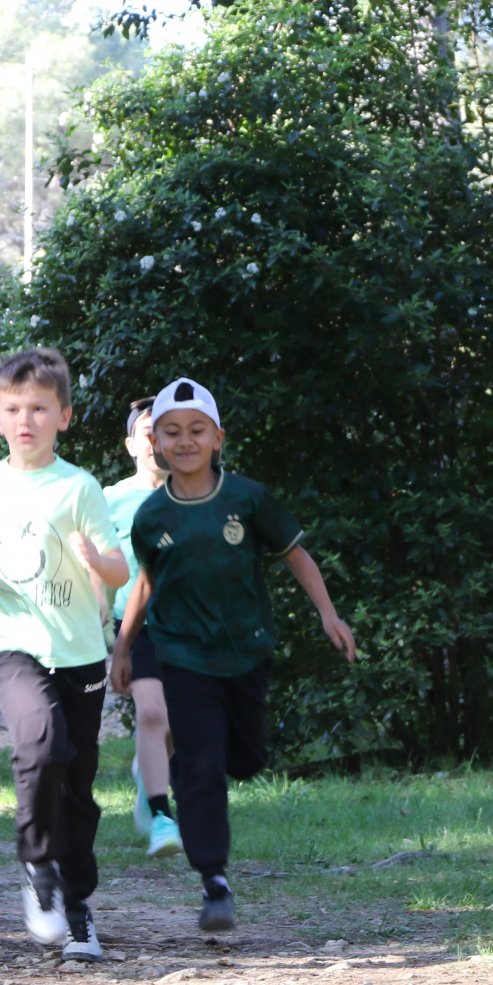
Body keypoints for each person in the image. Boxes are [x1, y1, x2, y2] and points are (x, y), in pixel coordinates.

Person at [112, 378, 356, 934]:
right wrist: (124, 648)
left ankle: (213, 769)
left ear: (217, 437)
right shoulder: (151, 515)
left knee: (243, 758)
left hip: (246, 652)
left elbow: (296, 555)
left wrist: (328, 613)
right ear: (155, 444)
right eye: (171, 432)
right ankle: (213, 881)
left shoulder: (247, 498)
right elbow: (146, 584)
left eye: (197, 430)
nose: (185, 440)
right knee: (199, 765)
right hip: (180, 654)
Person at [0, 349, 129, 962]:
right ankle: (36, 865)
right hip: (10, 644)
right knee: (41, 744)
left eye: (39, 408)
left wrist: (94, 560)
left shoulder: (79, 487)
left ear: (65, 415)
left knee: (77, 783)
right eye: (12, 408)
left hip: (79, 652)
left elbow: (118, 564)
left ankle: (77, 908)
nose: (25, 419)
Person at [103, 399, 181, 858]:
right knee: (152, 714)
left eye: (165, 432)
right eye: (147, 432)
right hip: (135, 627)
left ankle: (146, 770)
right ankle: (160, 815)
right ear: (132, 443)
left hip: (192, 624)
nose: (155, 442)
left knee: (176, 726)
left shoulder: (198, 494)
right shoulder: (109, 499)